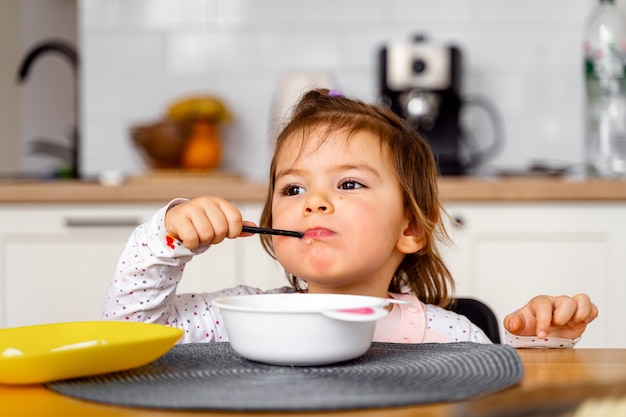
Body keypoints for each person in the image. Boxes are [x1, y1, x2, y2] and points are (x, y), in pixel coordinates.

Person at [103, 89, 598, 347]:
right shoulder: (234, 319)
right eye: (293, 188)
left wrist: (539, 341)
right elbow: (128, 330)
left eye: (349, 184)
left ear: (410, 228)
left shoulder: (451, 334)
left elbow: (503, 391)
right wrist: (168, 235)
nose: (313, 202)